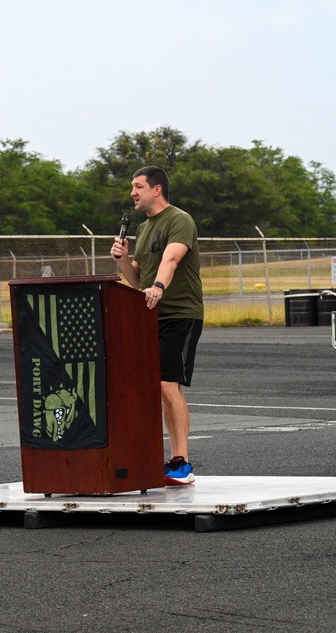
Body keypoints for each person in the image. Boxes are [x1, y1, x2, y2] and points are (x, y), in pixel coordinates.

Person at [111, 166, 204, 485]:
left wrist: (160, 288)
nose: (132, 192)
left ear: (157, 190)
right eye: (132, 187)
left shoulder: (179, 219)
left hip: (180, 313)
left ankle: (183, 464)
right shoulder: (146, 227)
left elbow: (171, 261)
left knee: (167, 384)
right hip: (151, 314)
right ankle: (161, 460)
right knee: (157, 388)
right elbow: (138, 281)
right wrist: (123, 261)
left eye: (138, 186)